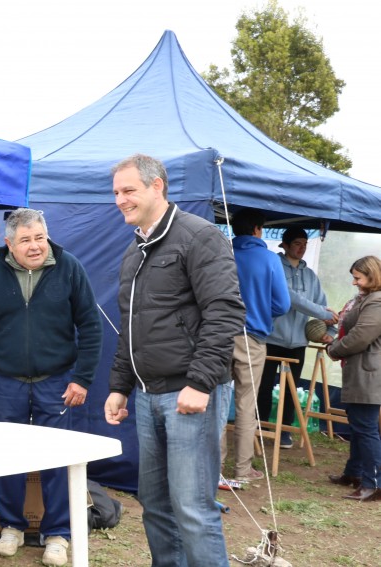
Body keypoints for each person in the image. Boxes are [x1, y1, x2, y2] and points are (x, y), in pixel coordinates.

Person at [105, 154, 245, 567]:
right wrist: (118, 386)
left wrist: (200, 383)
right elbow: (130, 328)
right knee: (155, 505)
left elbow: (226, 311)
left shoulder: (199, 237)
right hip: (149, 398)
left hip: (189, 395)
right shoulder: (135, 252)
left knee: (193, 509)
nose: (120, 200)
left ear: (156, 187)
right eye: (115, 192)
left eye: (128, 190)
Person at [0, 208, 102, 567]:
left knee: (56, 459)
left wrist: (82, 378)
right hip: (8, 381)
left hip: (57, 382)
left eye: (39, 237)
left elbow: (90, 326)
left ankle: (57, 535)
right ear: (9, 243)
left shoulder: (69, 269)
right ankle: (11, 527)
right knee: (9, 457)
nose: (35, 246)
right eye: (25, 240)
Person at [224, 209, 291, 483]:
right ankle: (242, 470)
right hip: (252, 338)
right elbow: (283, 305)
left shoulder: (222, 253)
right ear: (257, 229)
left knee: (215, 400)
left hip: (216, 336)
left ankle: (213, 467)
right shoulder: (268, 258)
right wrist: (261, 310)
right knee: (245, 403)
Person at [257, 227, 338, 449]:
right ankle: (261, 427)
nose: (302, 248)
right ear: (284, 245)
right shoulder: (275, 268)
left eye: (304, 244)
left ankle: (285, 431)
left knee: (291, 390)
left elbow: (323, 306)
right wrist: (324, 314)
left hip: (298, 343)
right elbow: (292, 300)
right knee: (263, 386)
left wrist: (329, 333)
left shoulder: (311, 276)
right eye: (297, 244)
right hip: (271, 338)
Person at [325, 255, 381, 502]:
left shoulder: (377, 302)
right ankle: (354, 474)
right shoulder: (368, 299)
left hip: (368, 374)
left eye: (357, 277)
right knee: (359, 426)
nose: (353, 282)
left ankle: (374, 483)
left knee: (366, 429)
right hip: (362, 372)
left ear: (372, 276)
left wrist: (334, 348)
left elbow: (360, 336)